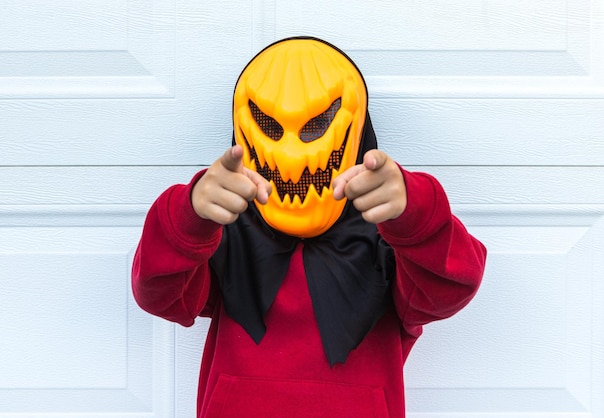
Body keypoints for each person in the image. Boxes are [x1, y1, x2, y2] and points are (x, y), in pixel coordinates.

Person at [132, 37, 486, 418]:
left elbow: (453, 284)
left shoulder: (387, 241)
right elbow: (158, 293)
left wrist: (414, 212)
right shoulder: (228, 236)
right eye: (269, 124)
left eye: (316, 124)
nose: (289, 153)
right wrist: (190, 215)